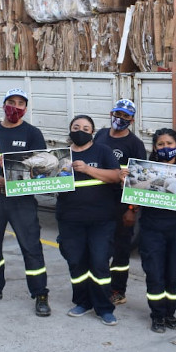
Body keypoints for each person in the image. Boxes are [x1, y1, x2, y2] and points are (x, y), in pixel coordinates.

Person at [0, 88, 51, 317]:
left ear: (25, 109)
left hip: (21, 200)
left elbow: (40, 168)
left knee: (31, 248)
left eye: (20, 103)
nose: (15, 107)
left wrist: (7, 183)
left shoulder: (32, 133)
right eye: (11, 102)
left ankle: (40, 294)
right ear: (3, 105)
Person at [56, 115, 121, 326]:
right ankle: (82, 301)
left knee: (100, 262)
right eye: (76, 127)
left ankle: (104, 308)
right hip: (70, 219)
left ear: (92, 132)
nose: (80, 131)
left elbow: (116, 176)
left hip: (101, 220)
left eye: (85, 128)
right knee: (76, 263)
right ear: (70, 130)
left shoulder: (102, 151)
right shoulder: (61, 156)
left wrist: (87, 169)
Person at [137, 128, 176, 333]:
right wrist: (127, 180)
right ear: (154, 147)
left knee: (173, 274)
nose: (166, 148)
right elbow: (135, 195)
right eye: (161, 144)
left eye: (169, 144)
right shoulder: (146, 169)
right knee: (154, 274)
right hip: (152, 229)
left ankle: (170, 313)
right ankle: (157, 315)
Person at [93, 99, 147, 306]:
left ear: (132, 120)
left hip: (121, 204)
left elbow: (140, 181)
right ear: (111, 113)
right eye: (118, 114)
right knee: (100, 248)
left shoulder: (135, 144)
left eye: (126, 116)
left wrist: (132, 210)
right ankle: (101, 287)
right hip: (99, 202)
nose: (120, 119)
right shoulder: (100, 135)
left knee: (120, 249)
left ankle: (118, 290)